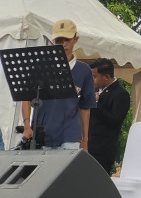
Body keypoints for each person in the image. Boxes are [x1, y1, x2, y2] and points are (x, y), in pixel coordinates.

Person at [21, 19, 96, 149]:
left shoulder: (84, 71)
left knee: (68, 169)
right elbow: (26, 98)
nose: (63, 44)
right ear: (53, 41)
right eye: (59, 40)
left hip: (70, 135)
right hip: (42, 134)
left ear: (75, 39)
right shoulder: (40, 66)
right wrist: (27, 125)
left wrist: (85, 140)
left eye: (67, 40)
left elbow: (85, 107)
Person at [88, 58, 131, 174]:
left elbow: (115, 120)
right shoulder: (96, 90)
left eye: (94, 76)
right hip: (89, 145)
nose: (92, 80)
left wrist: (96, 104)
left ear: (106, 77)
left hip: (102, 149)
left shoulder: (120, 93)